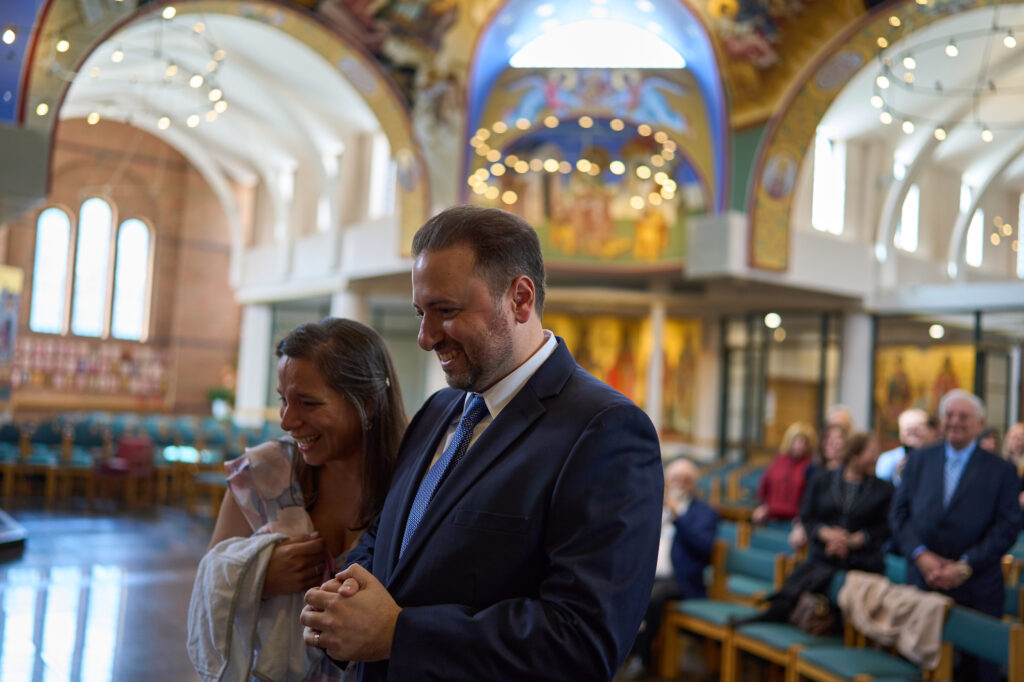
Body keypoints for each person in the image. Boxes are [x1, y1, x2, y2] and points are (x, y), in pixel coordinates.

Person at [300, 206, 664, 681]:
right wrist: (345, 601)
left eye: (446, 312)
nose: (426, 338)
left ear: (519, 299)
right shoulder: (437, 410)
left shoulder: (605, 430)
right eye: (420, 313)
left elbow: (583, 641)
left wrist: (399, 633)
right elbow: (389, 535)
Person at [188, 318, 407, 682]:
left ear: (367, 405)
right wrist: (258, 575)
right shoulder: (260, 475)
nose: (287, 421)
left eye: (307, 402)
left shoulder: (414, 483)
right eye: (283, 400)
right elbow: (207, 583)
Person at [891, 389, 1021, 682]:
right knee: (919, 670)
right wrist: (920, 554)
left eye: (964, 416)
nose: (955, 422)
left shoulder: (1001, 471)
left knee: (974, 673)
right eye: (949, 415)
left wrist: (965, 564)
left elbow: (1008, 526)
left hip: (977, 586)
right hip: (923, 580)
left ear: (980, 423)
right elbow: (899, 515)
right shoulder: (920, 460)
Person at [735, 431, 892, 625]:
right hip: (824, 553)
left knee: (813, 576)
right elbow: (808, 516)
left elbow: (885, 528)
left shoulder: (884, 489)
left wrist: (852, 540)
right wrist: (826, 534)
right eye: (872, 452)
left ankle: (778, 607)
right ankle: (777, 609)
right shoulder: (823, 480)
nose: (877, 457)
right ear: (854, 455)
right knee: (811, 572)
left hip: (860, 560)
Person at [625, 459, 718, 678]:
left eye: (686, 480)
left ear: (694, 484)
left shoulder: (704, 513)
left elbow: (705, 547)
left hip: (681, 579)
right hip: (648, 573)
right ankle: (623, 649)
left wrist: (680, 517)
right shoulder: (656, 507)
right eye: (676, 478)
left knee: (653, 596)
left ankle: (642, 657)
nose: (680, 483)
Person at [789, 423, 847, 549]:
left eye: (837, 439)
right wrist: (802, 526)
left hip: (842, 535)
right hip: (816, 531)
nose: (831, 443)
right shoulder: (813, 470)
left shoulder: (850, 474)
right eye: (828, 439)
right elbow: (806, 507)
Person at [752, 421, 817, 524]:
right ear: (789, 441)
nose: (800, 445)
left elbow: (811, 497)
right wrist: (762, 506)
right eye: (797, 441)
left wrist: (804, 519)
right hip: (771, 516)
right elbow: (764, 486)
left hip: (795, 520)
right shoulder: (778, 461)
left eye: (804, 442)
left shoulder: (811, 466)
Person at [875, 407, 929, 485]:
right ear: (900, 432)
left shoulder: (938, 457)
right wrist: (898, 476)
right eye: (908, 428)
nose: (913, 432)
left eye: (918, 427)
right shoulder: (888, 459)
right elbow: (882, 490)